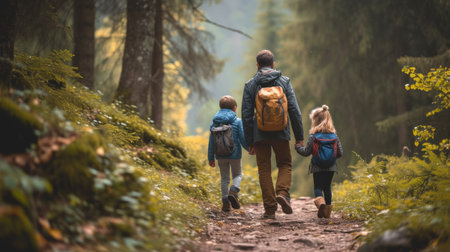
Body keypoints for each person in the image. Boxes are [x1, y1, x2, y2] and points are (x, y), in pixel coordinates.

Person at [241, 49, 304, 219]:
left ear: (258, 65)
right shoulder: (284, 81)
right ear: (273, 64)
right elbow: (294, 110)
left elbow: (246, 116)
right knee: (284, 164)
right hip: (281, 131)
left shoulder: (251, 84)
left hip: (260, 134)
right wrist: (299, 137)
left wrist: (249, 142)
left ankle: (270, 209)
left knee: (264, 169)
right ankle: (282, 193)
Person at [295, 105, 343, 218]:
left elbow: (306, 152)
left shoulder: (314, 137)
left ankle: (321, 203)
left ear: (315, 121)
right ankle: (327, 212)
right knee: (327, 188)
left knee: (318, 187)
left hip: (317, 166)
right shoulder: (334, 137)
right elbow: (340, 153)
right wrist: (330, 157)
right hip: (331, 167)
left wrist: (297, 147)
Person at [208, 95, 249, 212]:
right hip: (235, 155)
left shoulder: (214, 124)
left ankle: (225, 203)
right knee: (238, 175)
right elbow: (242, 138)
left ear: (220, 107)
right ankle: (234, 190)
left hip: (220, 155)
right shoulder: (237, 121)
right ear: (234, 108)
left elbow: (211, 142)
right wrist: (249, 148)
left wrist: (211, 157)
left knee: (224, 178)